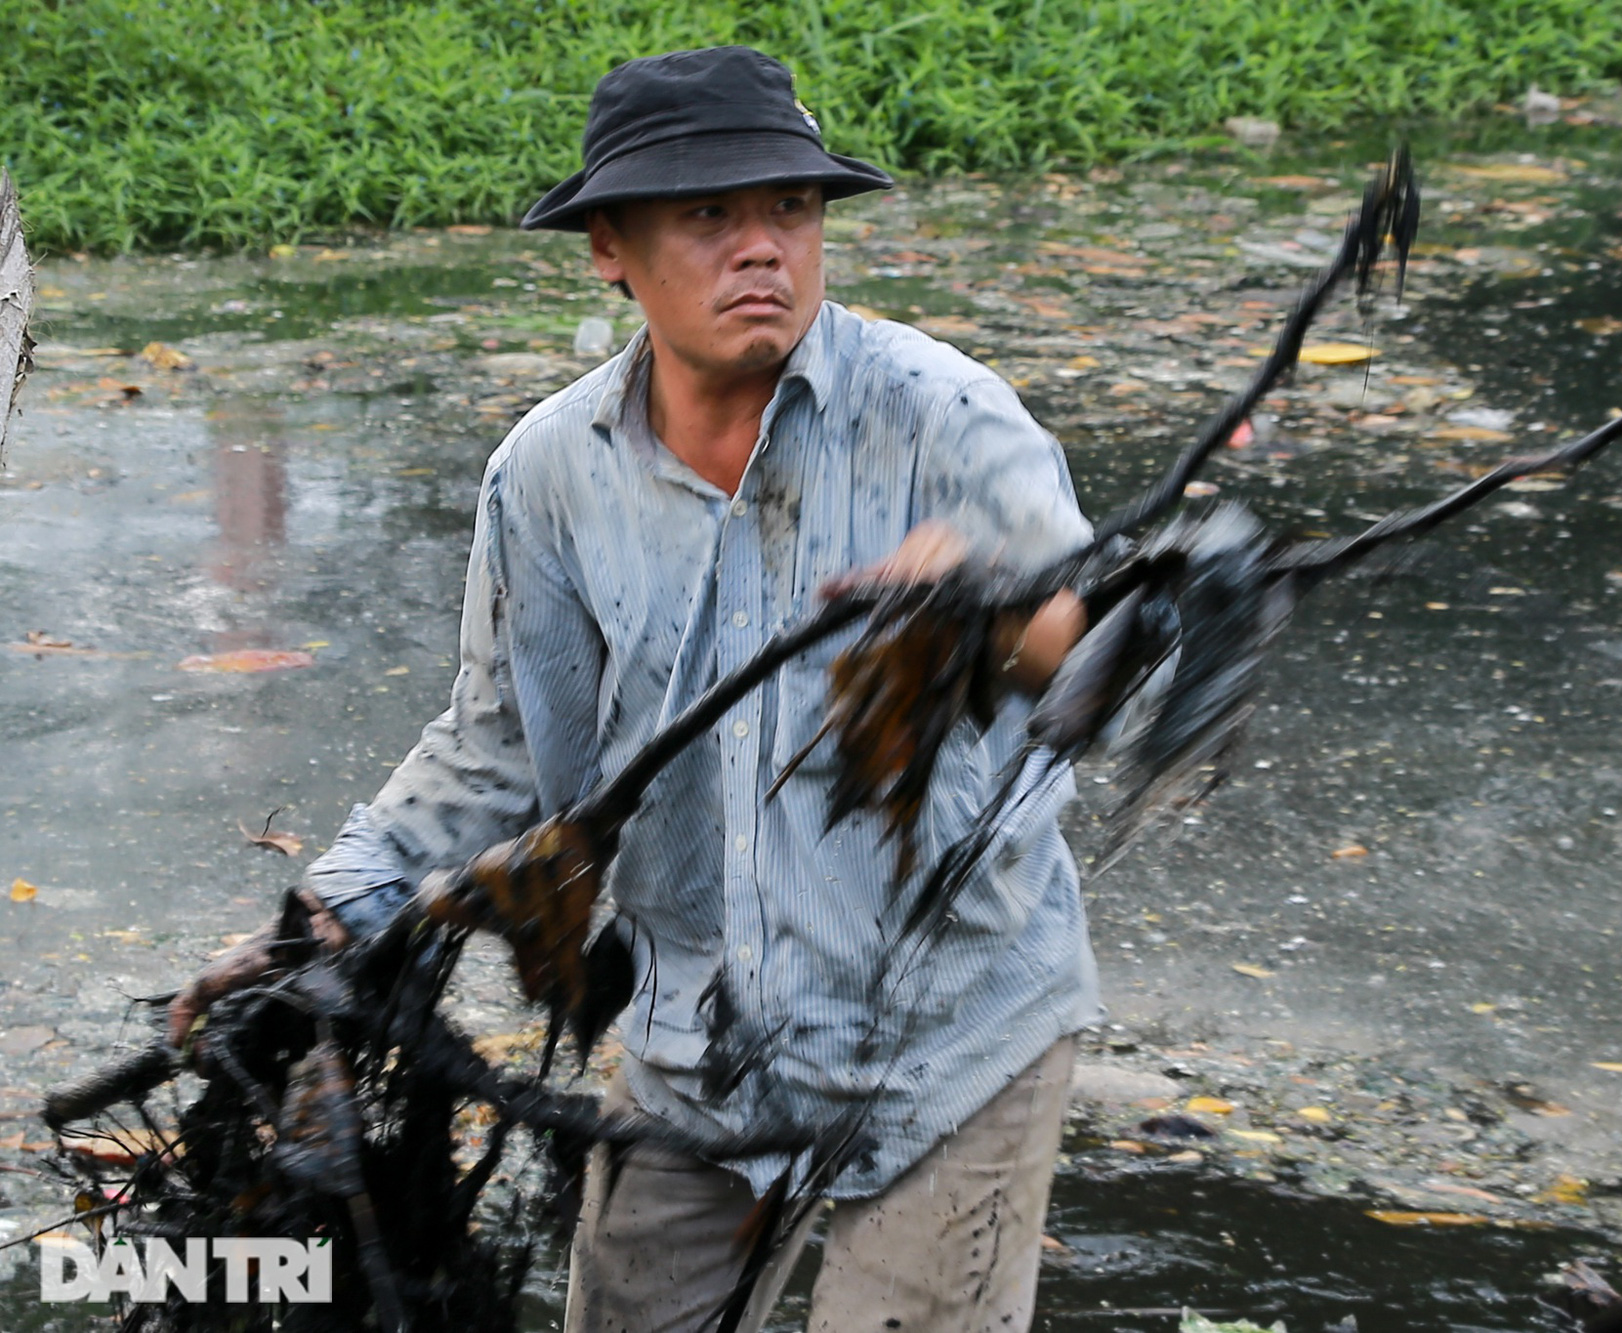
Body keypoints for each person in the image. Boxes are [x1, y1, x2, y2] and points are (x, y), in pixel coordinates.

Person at [169, 44, 1100, 1333]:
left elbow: (1093, 661)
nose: (762, 248)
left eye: (789, 209)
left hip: (952, 1032)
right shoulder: (549, 475)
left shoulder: (945, 418)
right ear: (611, 246)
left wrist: (994, 589)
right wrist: (324, 916)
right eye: (709, 216)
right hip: (697, 1045)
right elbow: (497, 748)